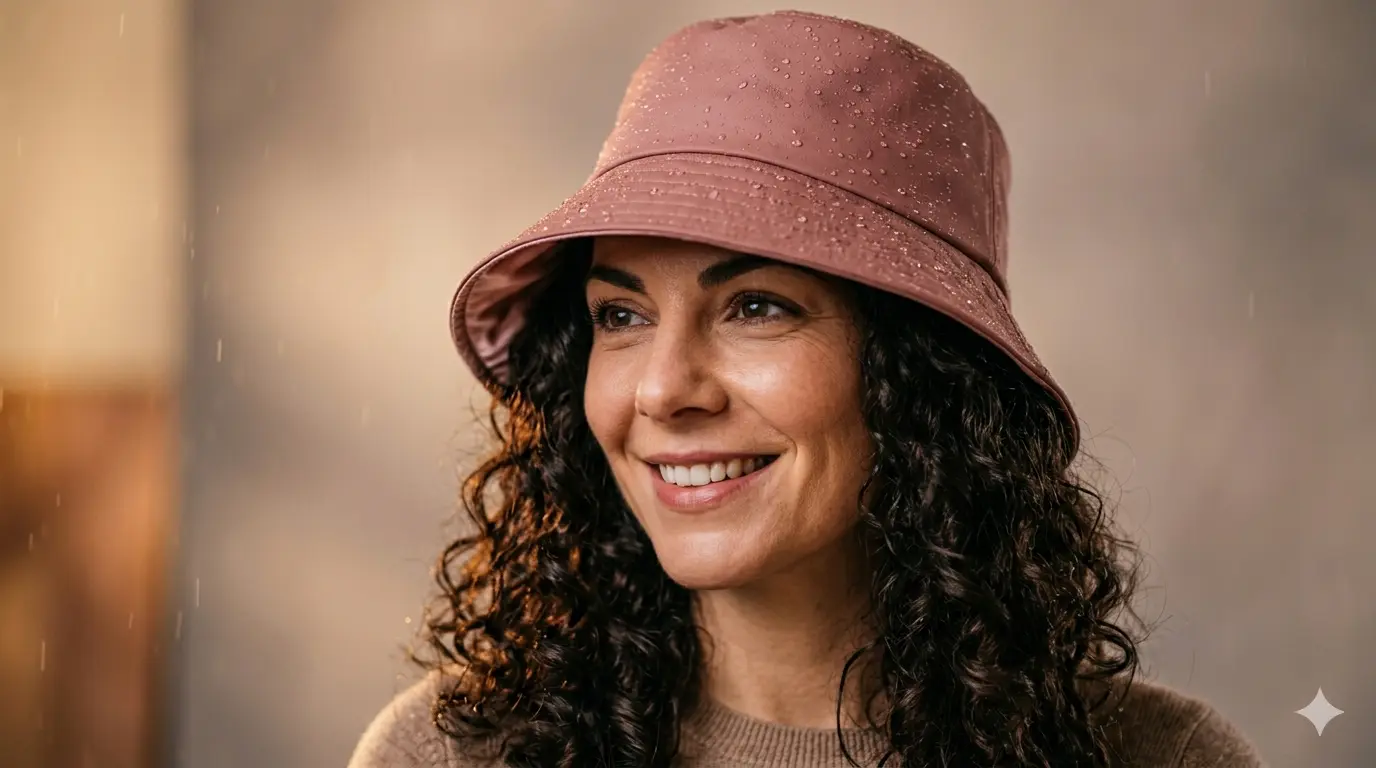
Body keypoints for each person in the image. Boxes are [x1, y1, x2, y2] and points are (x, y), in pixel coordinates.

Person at [349, 10, 1266, 767]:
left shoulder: (1163, 756)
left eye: (756, 306)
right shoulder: (450, 752)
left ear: (922, 377)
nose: (664, 390)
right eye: (620, 317)